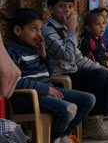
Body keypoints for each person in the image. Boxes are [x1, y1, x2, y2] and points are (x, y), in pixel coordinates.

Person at [42, 0, 108, 140]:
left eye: (70, 6)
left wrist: (104, 68)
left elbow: (78, 58)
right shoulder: (48, 31)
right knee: (99, 76)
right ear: (51, 9)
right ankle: (90, 121)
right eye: (61, 6)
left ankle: (90, 118)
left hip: (74, 72)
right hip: (61, 77)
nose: (67, 10)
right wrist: (72, 32)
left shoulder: (64, 29)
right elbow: (67, 56)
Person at [7, 8, 94, 143]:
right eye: (33, 29)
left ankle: (61, 134)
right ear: (18, 30)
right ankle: (54, 138)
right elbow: (16, 81)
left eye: (40, 29)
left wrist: (44, 56)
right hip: (28, 97)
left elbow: (49, 74)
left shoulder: (35, 47)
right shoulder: (12, 52)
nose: (39, 34)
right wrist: (45, 90)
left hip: (48, 91)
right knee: (69, 109)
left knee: (88, 99)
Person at [79, 11, 108, 119]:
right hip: (90, 72)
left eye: (103, 24)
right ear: (88, 28)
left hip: (100, 69)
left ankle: (107, 107)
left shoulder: (98, 40)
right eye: (98, 24)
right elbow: (83, 60)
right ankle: (103, 111)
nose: (102, 27)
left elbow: (101, 51)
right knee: (107, 78)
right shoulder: (86, 41)